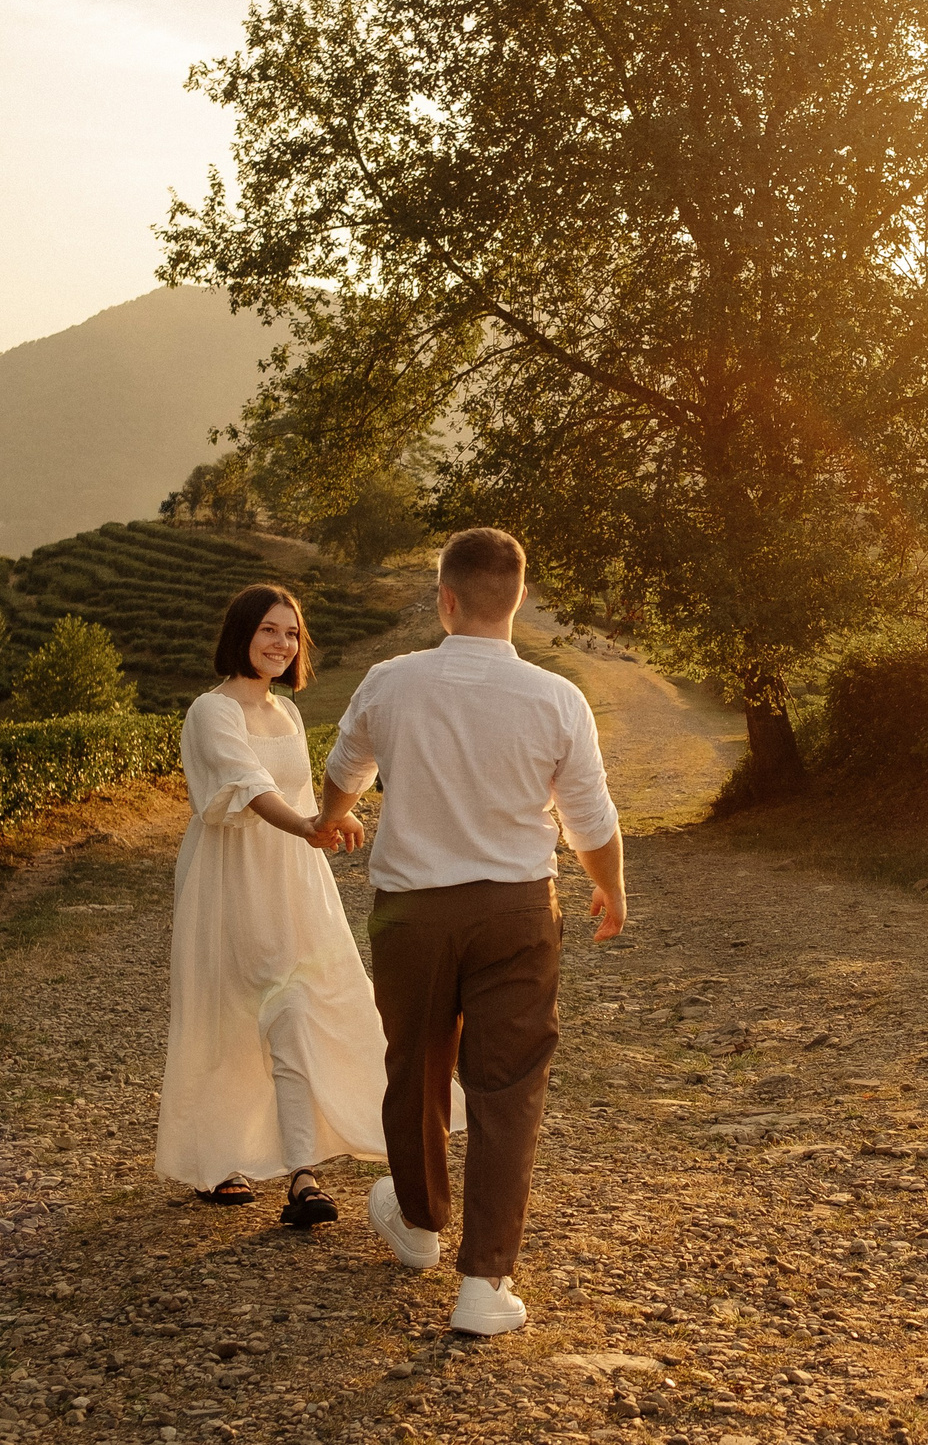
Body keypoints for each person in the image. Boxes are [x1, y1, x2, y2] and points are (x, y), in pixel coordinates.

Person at [314, 527, 626, 1338]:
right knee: (507, 1087)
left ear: (445, 599)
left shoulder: (390, 681)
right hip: (518, 909)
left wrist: (332, 818)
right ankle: (485, 1282)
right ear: (516, 600)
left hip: (412, 912)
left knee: (415, 1065)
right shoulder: (557, 697)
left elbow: (344, 774)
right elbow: (591, 821)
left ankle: (419, 1224)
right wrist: (610, 886)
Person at [154, 583, 405, 1226]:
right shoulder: (211, 711)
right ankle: (219, 1157)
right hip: (229, 879)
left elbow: (299, 793)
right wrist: (307, 826)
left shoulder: (288, 713)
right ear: (241, 632)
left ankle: (302, 1175)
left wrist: (332, 817)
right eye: (269, 629)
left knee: (297, 1011)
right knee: (230, 1016)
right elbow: (249, 785)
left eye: (292, 633)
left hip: (294, 879)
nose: (282, 643)